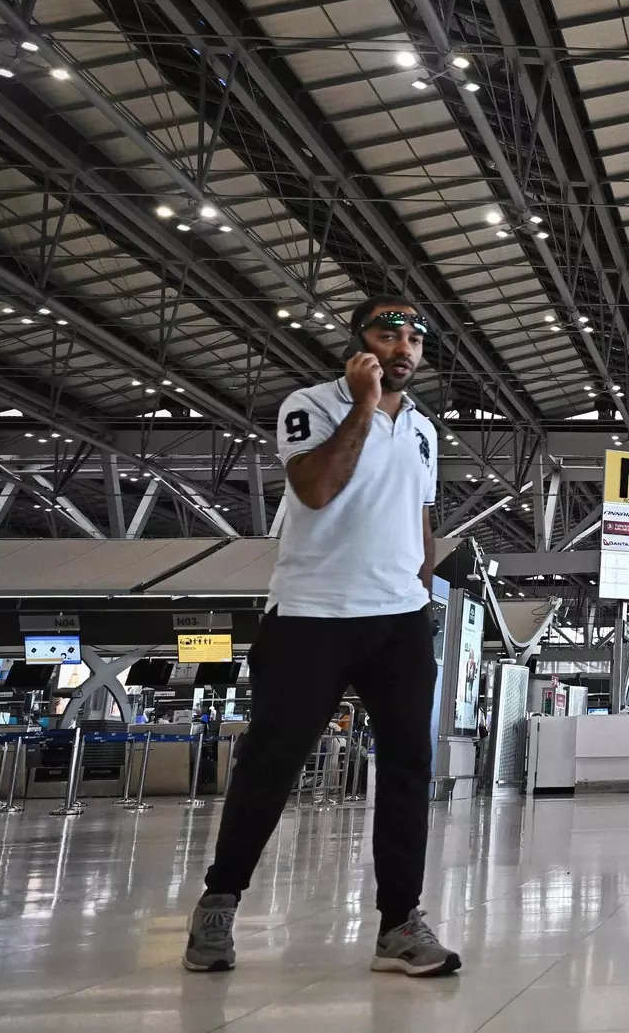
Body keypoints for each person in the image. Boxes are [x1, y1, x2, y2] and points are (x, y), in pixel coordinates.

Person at [184, 297, 459, 977]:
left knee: (406, 771)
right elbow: (314, 490)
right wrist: (363, 407)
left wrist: (420, 588)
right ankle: (219, 903)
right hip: (311, 615)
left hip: (397, 620)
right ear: (359, 343)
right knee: (272, 764)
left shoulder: (423, 429)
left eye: (414, 339)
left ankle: (399, 922)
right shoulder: (311, 405)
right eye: (387, 334)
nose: (402, 347)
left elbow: (422, 515)